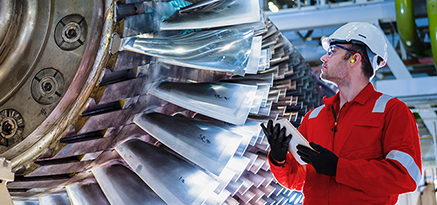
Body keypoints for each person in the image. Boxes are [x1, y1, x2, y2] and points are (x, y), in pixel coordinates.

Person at [261, 22, 422, 204]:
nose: (323, 58)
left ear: (354, 59)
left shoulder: (391, 111)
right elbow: (300, 180)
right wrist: (279, 159)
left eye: (332, 51)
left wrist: (339, 168)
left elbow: (405, 175)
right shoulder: (314, 118)